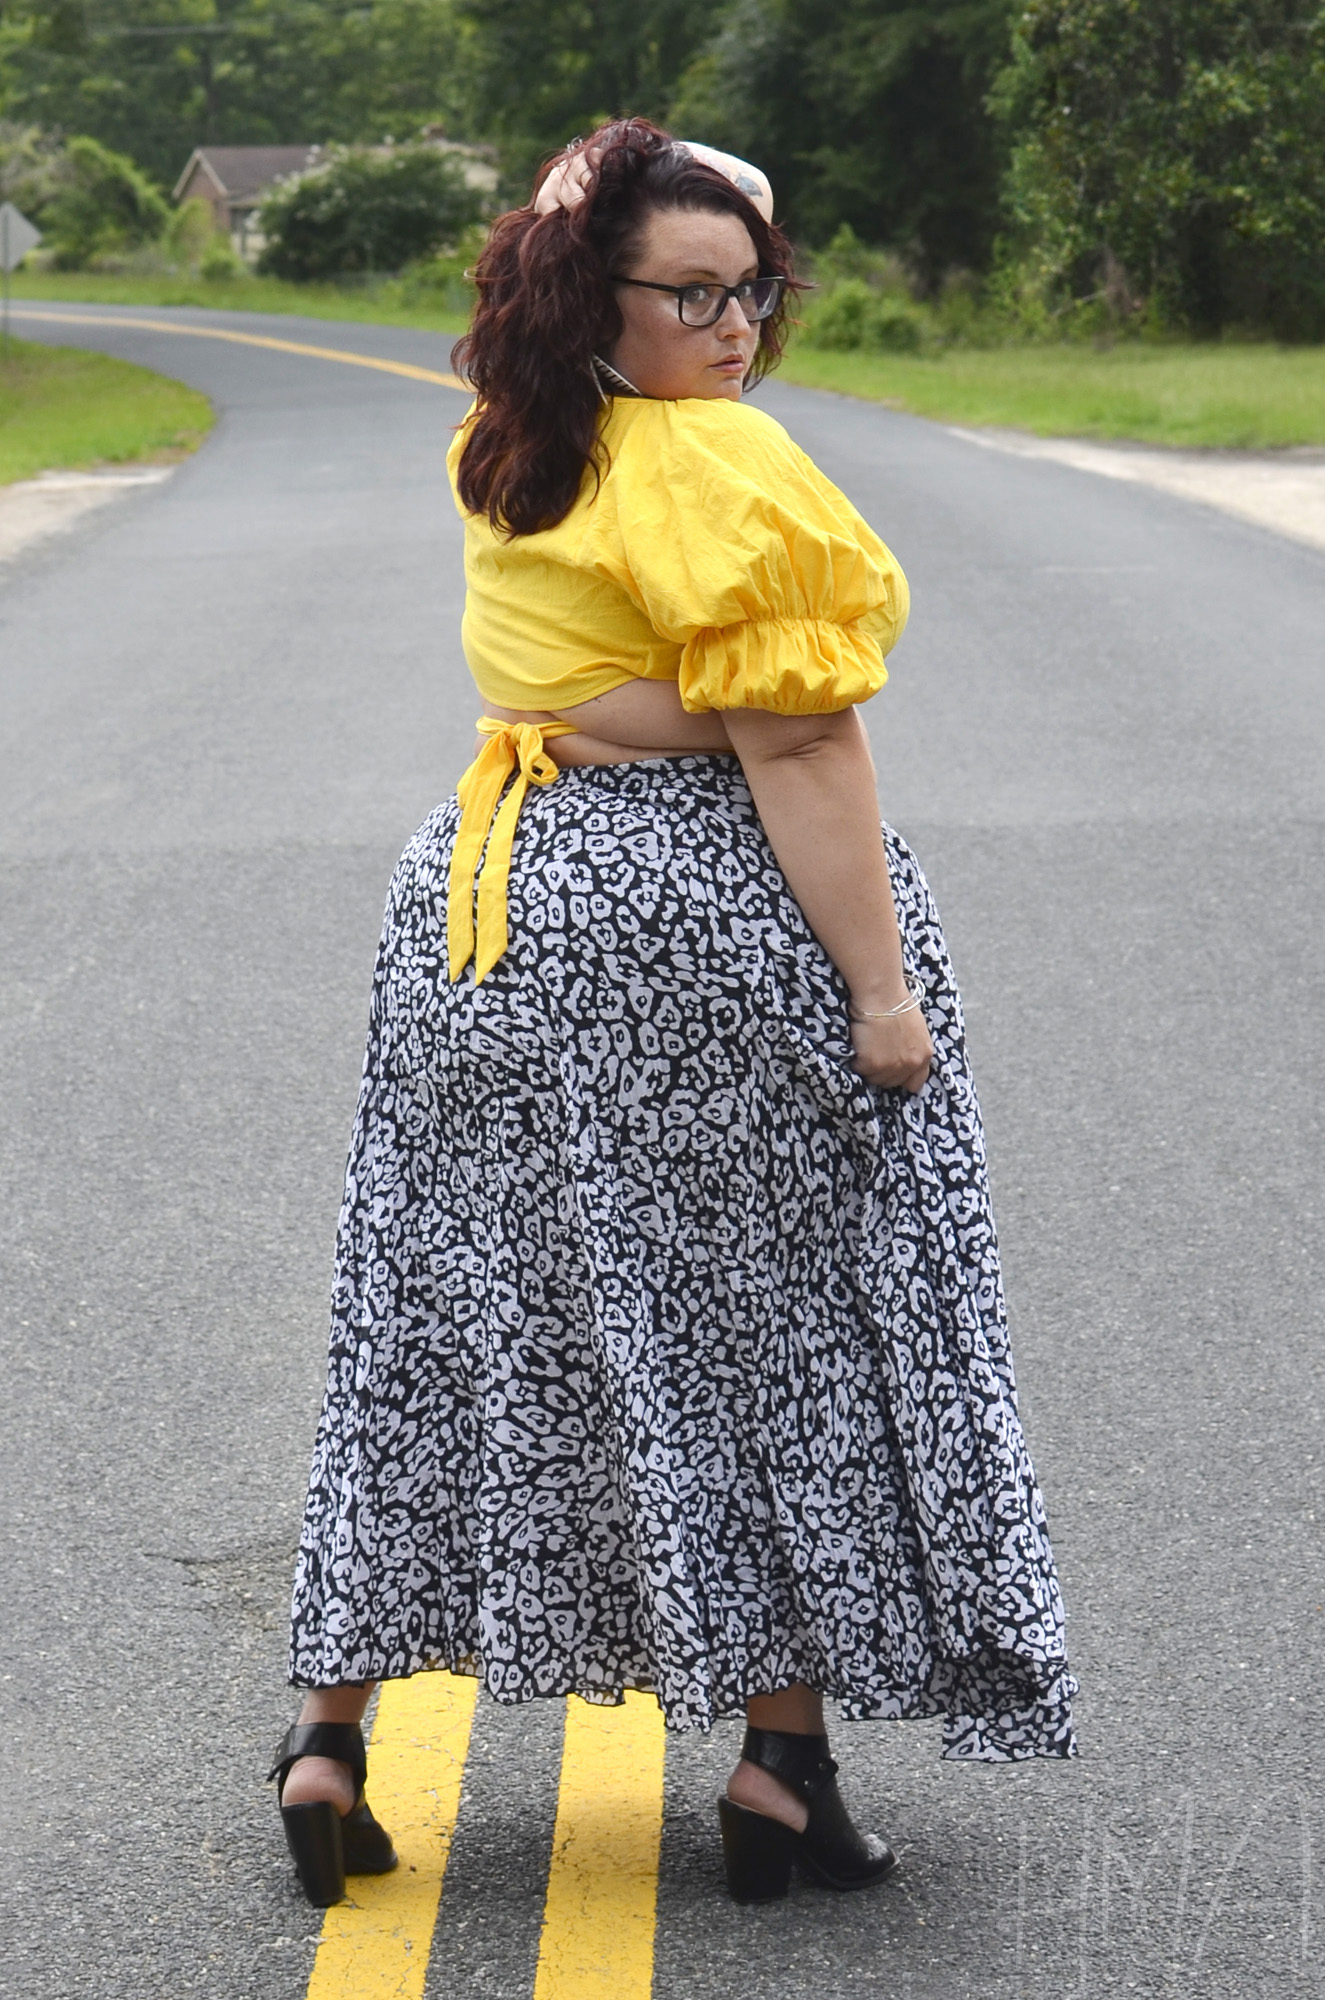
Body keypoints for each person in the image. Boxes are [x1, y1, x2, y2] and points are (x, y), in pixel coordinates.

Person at [269, 118, 1076, 1913]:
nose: (736, 327)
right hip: (687, 918)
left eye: (754, 291)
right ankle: (780, 1769)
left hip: (480, 912)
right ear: (597, 296)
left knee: (446, 1306)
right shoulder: (719, 462)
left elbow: (591, 679)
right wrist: (878, 993)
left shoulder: (510, 441)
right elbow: (800, 735)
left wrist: (646, 709)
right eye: (693, 293)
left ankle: (330, 1740)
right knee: (767, 1320)